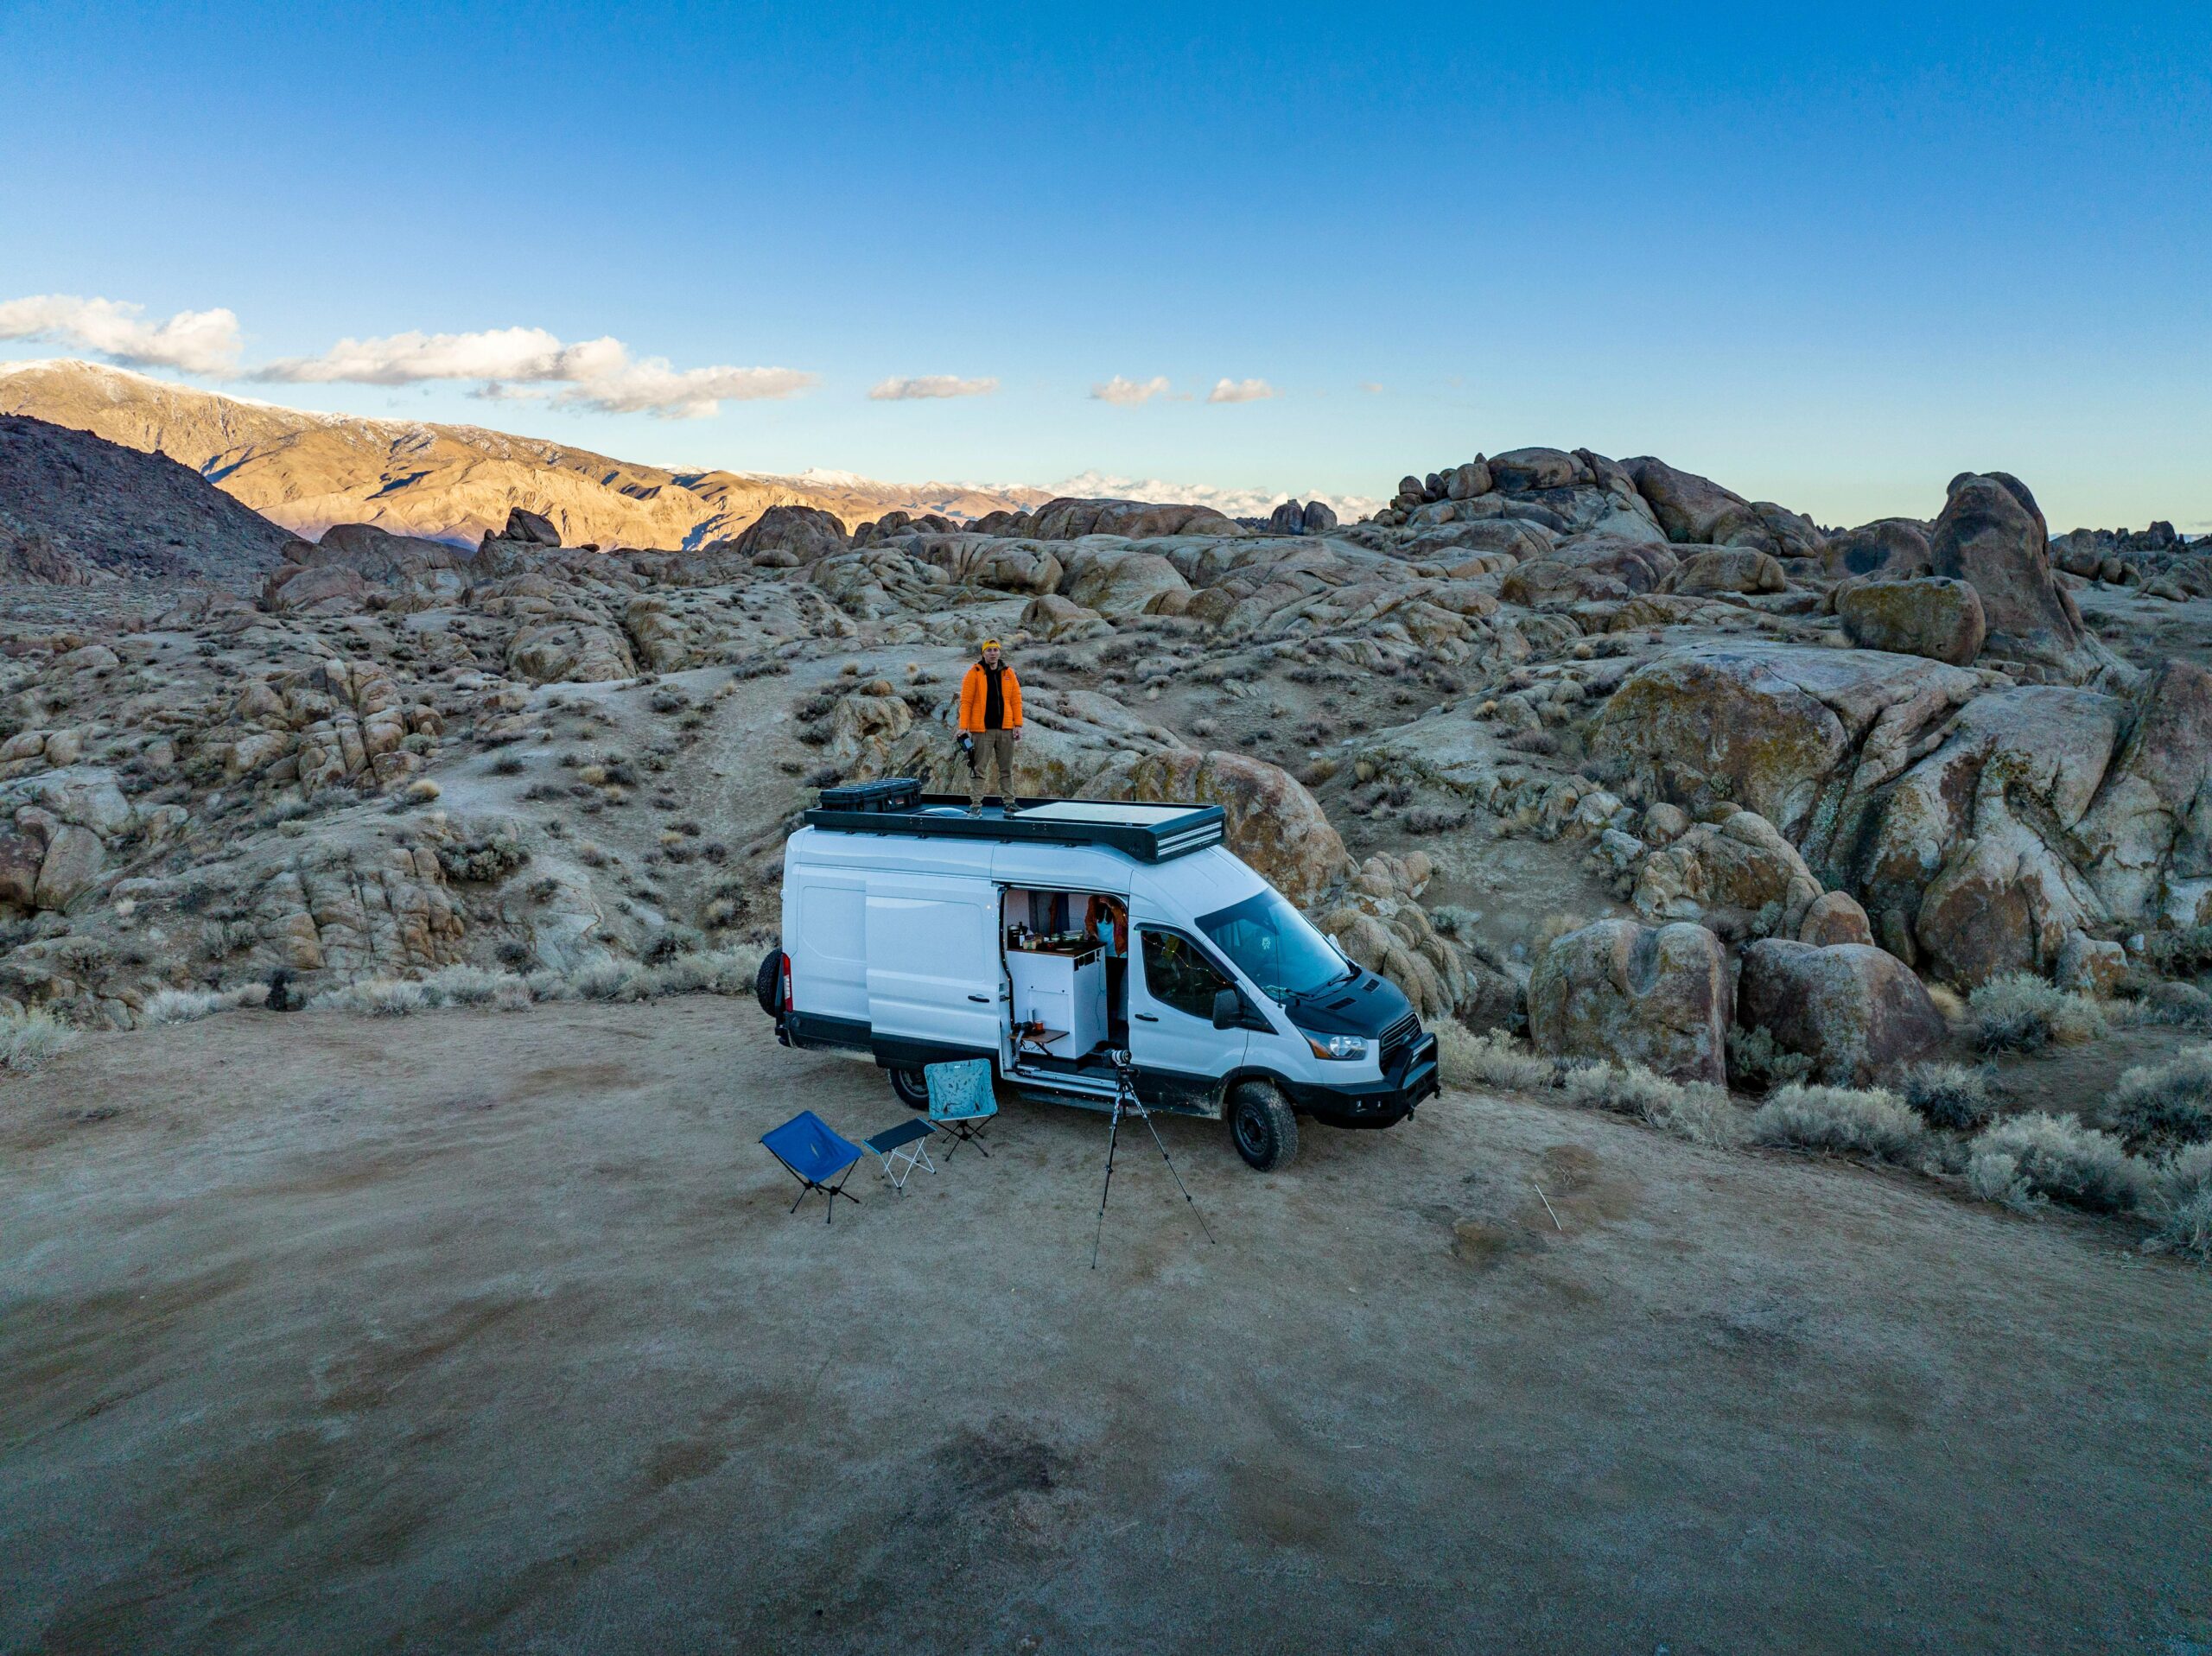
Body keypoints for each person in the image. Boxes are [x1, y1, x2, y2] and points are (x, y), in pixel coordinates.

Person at [957, 639, 1023, 812]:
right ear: (983, 653)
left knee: (1006, 769)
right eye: (989, 650)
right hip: (982, 731)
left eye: (995, 650)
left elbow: (1016, 700)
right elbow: (966, 702)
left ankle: (1009, 803)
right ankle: (976, 806)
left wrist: (1018, 724)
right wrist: (963, 726)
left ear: (999, 653)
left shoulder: (1009, 673)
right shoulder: (974, 673)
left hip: (1006, 729)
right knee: (978, 769)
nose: (993, 653)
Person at [1084, 893, 1129, 1027]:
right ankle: (1101, 1019)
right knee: (1099, 985)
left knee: (1113, 987)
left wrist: (1112, 906)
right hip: (1100, 949)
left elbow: (1125, 922)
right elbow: (1089, 920)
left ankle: (1112, 1021)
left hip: (1118, 952)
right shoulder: (1093, 900)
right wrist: (1092, 932)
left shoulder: (1120, 902)